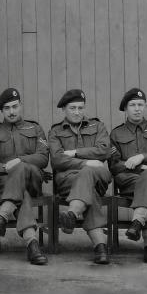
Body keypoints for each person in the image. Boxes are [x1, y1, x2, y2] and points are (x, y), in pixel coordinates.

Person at [0, 88, 49, 266]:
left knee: (20, 168)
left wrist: (18, 161)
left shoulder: (34, 128)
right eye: (7, 108)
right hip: (5, 184)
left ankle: (2, 217)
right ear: (1, 111)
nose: (11, 112)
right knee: (23, 196)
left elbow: (43, 158)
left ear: (21, 106)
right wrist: (5, 167)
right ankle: (33, 245)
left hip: (33, 181)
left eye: (14, 106)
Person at [108, 88, 147, 265]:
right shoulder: (116, 133)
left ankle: (138, 222)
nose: (137, 108)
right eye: (132, 105)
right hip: (129, 180)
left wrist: (143, 157)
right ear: (125, 109)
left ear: (145, 106)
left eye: (140, 105)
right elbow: (114, 166)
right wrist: (141, 166)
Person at [48, 89, 113, 265]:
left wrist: (75, 153)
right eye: (72, 108)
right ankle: (101, 248)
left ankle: (72, 212)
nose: (77, 112)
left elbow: (104, 150)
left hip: (99, 176)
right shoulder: (55, 132)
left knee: (88, 176)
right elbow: (57, 160)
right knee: (88, 187)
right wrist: (87, 163)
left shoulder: (97, 126)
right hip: (68, 181)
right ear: (63, 109)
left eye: (80, 108)